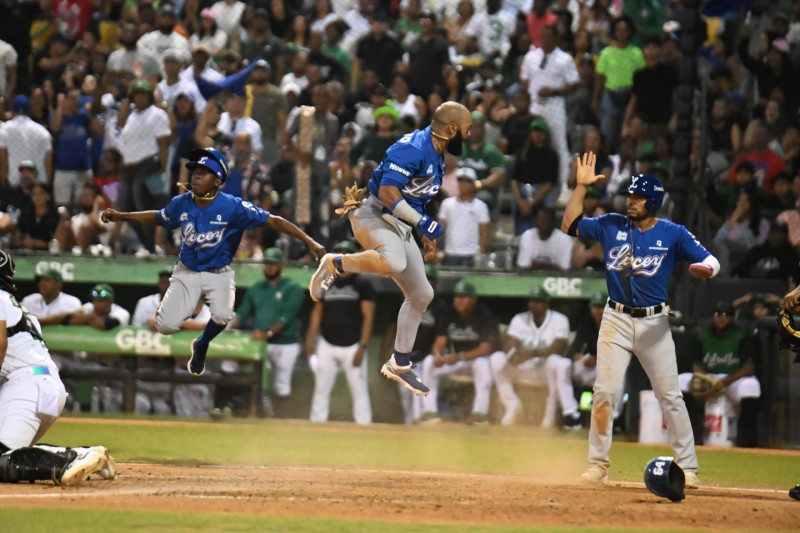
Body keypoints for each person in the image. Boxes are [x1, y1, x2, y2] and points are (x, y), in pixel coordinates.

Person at [561, 152, 721, 488]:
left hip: (654, 324)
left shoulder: (673, 233)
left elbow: (712, 261)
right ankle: (597, 465)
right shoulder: (611, 224)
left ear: (654, 201)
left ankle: (689, 468)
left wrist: (704, 269)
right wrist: (580, 187)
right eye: (629, 196)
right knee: (604, 393)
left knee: (670, 396)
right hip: (615, 318)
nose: (630, 201)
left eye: (637, 197)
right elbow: (569, 224)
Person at [100, 148, 324, 377]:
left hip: (218, 271)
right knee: (165, 325)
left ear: (217, 180)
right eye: (194, 172)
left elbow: (274, 220)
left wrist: (308, 241)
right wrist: (121, 216)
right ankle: (188, 318)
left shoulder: (233, 206)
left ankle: (202, 343)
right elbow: (158, 217)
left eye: (203, 173)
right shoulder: (182, 203)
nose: (195, 176)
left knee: (224, 316)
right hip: (187, 271)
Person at [308, 101, 472, 396]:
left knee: (423, 294)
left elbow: (415, 198)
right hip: (371, 214)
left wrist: (424, 233)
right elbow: (387, 191)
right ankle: (337, 263)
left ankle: (400, 361)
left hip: (399, 225)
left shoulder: (437, 156)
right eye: (466, 129)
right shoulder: (412, 147)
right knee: (393, 262)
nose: (469, 134)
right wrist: (422, 222)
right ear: (451, 129)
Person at [0, 249, 116, 486]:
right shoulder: (14, 303)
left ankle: (67, 460)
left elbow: (0, 343)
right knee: (12, 453)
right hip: (37, 385)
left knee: (2, 459)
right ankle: (82, 453)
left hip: (26, 386)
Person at [305, 240, 375, 424]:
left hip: (353, 345)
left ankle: (364, 427)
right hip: (327, 343)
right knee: (321, 389)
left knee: (359, 391)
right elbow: (317, 313)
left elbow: (368, 317)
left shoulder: (363, 283)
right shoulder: (326, 281)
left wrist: (363, 346)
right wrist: (310, 340)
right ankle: (316, 425)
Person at [678, 301, 761, 448]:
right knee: (680, 381)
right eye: (718, 314)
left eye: (725, 315)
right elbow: (696, 363)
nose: (721, 318)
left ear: (732, 318)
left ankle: (746, 442)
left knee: (751, 386)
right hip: (709, 378)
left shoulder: (742, 337)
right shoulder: (703, 336)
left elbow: (749, 368)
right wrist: (705, 379)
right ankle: (692, 434)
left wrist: (723, 383)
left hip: (733, 380)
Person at [489, 288, 574, 427]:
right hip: (523, 368)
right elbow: (510, 344)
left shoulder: (560, 319)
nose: (534, 304)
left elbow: (558, 347)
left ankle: (550, 412)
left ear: (547, 304)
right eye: (532, 301)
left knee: (557, 362)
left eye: (539, 301)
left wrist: (530, 354)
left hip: (544, 371)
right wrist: (512, 356)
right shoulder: (520, 318)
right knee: (497, 358)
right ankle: (512, 404)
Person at [230, 247, 305, 399]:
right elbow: (242, 313)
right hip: (259, 341)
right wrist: (227, 327)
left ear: (281, 266)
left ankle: (283, 418)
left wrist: (267, 333)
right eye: (267, 263)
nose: (269, 267)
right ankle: (236, 405)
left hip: (284, 343)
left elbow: (285, 317)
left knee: (281, 386)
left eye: (273, 263)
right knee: (230, 364)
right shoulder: (256, 288)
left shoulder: (292, 288)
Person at [418, 281, 496, 425]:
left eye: (464, 297)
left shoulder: (483, 314)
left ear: (473, 299)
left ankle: (480, 414)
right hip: (456, 361)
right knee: (429, 362)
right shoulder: (449, 313)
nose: (459, 300)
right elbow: (440, 341)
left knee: (483, 364)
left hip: (474, 361)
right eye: (457, 296)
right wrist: (438, 354)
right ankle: (430, 412)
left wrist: (459, 357)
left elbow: (485, 348)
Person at [437, 167, 490, 266]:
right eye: (461, 180)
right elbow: (439, 229)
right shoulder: (447, 203)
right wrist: (435, 250)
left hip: (470, 255)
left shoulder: (481, 206)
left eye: (467, 181)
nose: (463, 184)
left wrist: (480, 255)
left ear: (473, 184)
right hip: (450, 253)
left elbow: (484, 232)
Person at [63, 284, 130, 330]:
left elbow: (108, 324)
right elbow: (68, 317)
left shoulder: (121, 312)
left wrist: (87, 319)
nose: (97, 304)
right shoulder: (88, 307)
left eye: (101, 300)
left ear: (110, 301)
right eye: (95, 300)